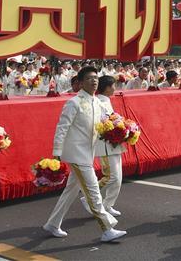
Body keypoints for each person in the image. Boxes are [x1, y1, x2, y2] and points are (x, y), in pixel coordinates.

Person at [44, 67, 125, 242]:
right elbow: (62, 128)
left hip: (88, 153)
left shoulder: (97, 102)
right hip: (76, 154)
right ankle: (107, 228)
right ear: (80, 83)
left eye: (95, 78)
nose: (94, 81)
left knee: (71, 191)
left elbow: (104, 124)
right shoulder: (74, 102)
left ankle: (53, 223)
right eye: (89, 78)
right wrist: (57, 152)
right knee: (93, 191)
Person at [90, 76, 124, 217]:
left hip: (113, 142)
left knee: (118, 177)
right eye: (113, 85)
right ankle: (89, 198)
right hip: (104, 143)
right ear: (107, 87)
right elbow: (100, 123)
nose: (115, 88)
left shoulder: (107, 100)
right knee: (111, 177)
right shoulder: (97, 102)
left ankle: (107, 205)